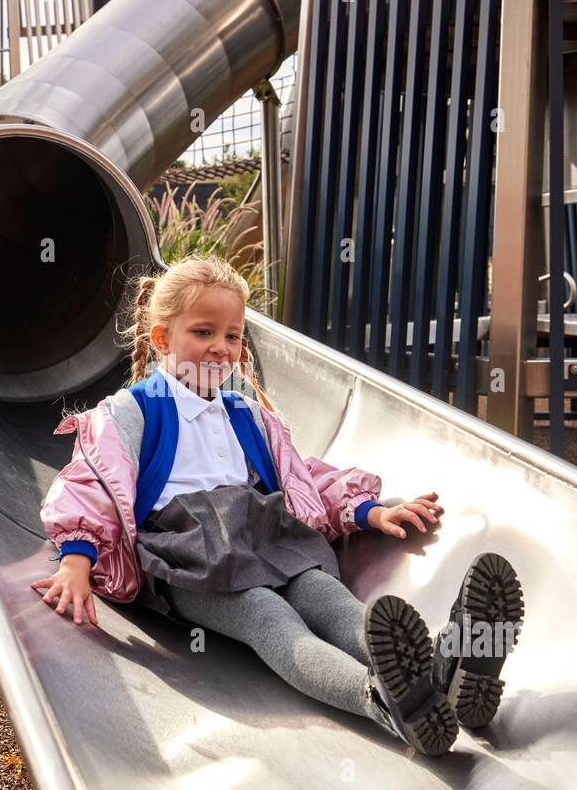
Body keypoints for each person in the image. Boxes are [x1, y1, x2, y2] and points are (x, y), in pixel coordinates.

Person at [32, 253, 524, 757]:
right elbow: (90, 482)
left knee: (330, 600)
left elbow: (297, 475)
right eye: (203, 333)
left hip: (266, 533)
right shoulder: (132, 410)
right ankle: (382, 701)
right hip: (188, 552)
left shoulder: (244, 410)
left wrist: (366, 510)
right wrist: (76, 561)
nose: (220, 349)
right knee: (270, 619)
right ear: (162, 340)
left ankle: (444, 672)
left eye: (232, 336)